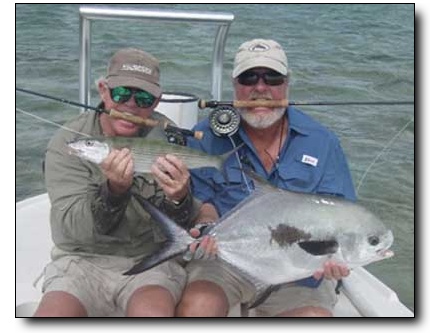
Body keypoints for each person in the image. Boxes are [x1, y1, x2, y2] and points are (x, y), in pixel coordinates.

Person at [176, 39, 356, 317]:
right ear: (235, 85)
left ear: (287, 83)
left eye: (272, 78)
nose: (260, 88)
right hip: (225, 263)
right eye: (249, 78)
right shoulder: (205, 137)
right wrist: (206, 225)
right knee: (198, 307)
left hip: (300, 271)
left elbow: (342, 216)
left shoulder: (322, 142)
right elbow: (203, 201)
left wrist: (335, 259)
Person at [33, 48, 200, 317]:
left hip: (150, 261)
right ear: (103, 91)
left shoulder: (170, 138)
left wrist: (180, 198)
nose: (131, 105)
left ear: (156, 102)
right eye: (121, 93)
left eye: (143, 97)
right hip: (83, 259)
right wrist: (113, 193)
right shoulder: (70, 143)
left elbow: (180, 229)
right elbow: (73, 231)